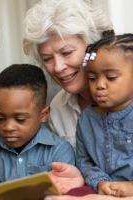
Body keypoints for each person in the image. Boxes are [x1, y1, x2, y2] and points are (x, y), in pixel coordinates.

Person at [23, 0, 113, 149]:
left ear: (95, 46)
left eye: (67, 53)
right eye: (47, 59)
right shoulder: (58, 109)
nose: (58, 67)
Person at [0, 64, 75, 185]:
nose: (8, 127)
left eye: (20, 119)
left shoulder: (59, 151)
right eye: (0, 118)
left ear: (43, 115)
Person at [75, 33, 133, 197]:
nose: (99, 85)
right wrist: (99, 182)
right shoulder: (86, 119)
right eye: (92, 78)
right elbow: (83, 160)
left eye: (111, 77)